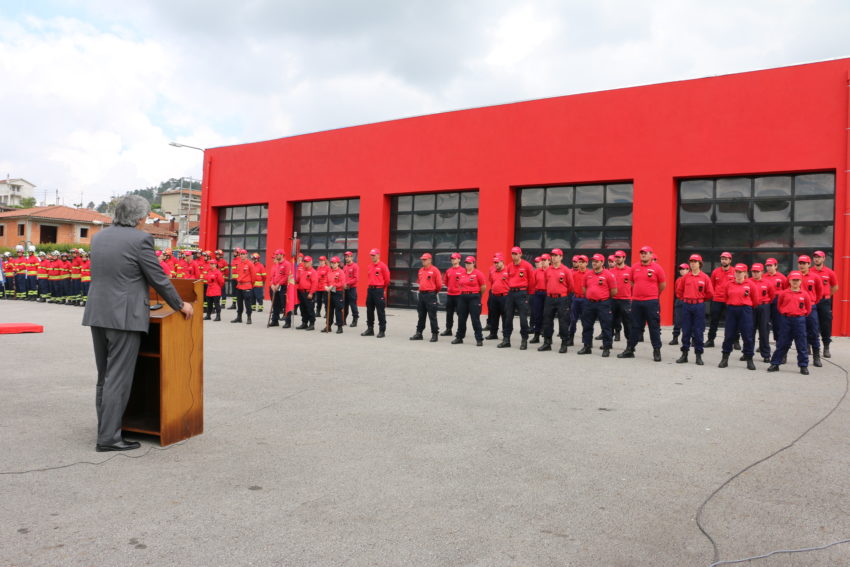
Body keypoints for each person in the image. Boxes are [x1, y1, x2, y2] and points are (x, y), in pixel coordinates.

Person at [82, 195, 192, 452]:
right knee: (118, 378)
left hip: (98, 313)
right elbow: (158, 277)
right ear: (140, 218)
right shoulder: (140, 239)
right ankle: (109, 438)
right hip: (124, 317)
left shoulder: (99, 236)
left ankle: (106, 429)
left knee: (105, 376)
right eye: (146, 218)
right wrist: (179, 304)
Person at [618, 246, 665, 361]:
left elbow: (662, 285)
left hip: (651, 302)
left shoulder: (657, 268)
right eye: (641, 253)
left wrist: (652, 294)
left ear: (651, 254)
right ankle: (630, 349)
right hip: (637, 301)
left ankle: (656, 351)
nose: (643, 255)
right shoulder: (634, 267)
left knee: (654, 327)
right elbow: (632, 282)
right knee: (635, 326)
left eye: (645, 253)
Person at [767, 271, 813, 375]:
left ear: (801, 281)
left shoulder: (805, 294)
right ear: (789, 281)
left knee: (801, 344)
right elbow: (779, 306)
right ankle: (775, 363)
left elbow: (808, 309)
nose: (795, 282)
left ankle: (803, 366)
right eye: (793, 280)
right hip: (786, 320)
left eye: (797, 280)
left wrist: (800, 315)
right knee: (782, 342)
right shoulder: (783, 293)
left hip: (799, 320)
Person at [674, 254, 713, 365]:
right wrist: (685, 299)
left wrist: (700, 299)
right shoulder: (685, 277)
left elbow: (710, 293)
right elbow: (679, 291)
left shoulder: (705, 277)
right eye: (691, 261)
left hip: (699, 306)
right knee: (685, 330)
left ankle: (698, 355)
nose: (692, 263)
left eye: (695, 261)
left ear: (700, 263)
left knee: (698, 331)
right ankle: (684, 354)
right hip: (686, 305)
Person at [718, 264, 756, 370]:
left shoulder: (750, 284)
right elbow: (726, 297)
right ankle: (724, 359)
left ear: (745, 273)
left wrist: (745, 305)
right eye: (736, 272)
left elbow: (755, 300)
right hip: (732, 310)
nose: (738, 274)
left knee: (747, 336)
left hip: (745, 310)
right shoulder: (729, 284)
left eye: (740, 272)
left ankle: (749, 359)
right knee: (729, 335)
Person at [579, 253, 617, 357]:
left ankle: (606, 348)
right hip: (589, 303)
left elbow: (614, 291)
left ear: (602, 262)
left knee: (606, 326)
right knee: (587, 326)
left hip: (603, 304)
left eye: (596, 261)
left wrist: (602, 297)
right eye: (593, 261)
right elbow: (584, 288)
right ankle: (587, 346)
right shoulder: (588, 274)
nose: (594, 263)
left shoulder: (608, 275)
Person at [538, 249, 572, 353]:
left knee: (563, 321)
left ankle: (564, 343)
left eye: (556, 255)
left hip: (562, 298)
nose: (553, 257)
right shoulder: (548, 270)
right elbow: (546, 282)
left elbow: (571, 286)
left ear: (561, 257)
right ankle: (547, 342)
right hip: (549, 298)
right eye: (552, 255)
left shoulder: (566, 270)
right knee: (547, 321)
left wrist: (563, 294)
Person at [501, 246, 534, 350]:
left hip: (522, 293)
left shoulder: (527, 266)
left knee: (523, 319)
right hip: (511, 293)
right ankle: (506, 340)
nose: (514, 255)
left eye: (516, 254)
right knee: (508, 317)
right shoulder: (509, 266)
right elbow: (507, 279)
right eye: (512, 253)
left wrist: (528, 294)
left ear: (520, 254)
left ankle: (524, 340)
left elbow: (532, 281)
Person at [452, 256, 486, 346]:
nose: (467, 265)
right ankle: (459, 337)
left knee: (475, 319)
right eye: (466, 263)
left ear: (474, 263)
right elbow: (459, 285)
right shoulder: (462, 273)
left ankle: (479, 339)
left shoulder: (478, 273)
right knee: (461, 318)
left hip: (474, 297)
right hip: (463, 297)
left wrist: (478, 295)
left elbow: (483, 286)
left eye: (469, 263)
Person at [797, 255, 824, 367]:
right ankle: (786, 356)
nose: (802, 265)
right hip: (797, 308)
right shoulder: (793, 275)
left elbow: (820, 293)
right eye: (800, 263)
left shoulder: (815, 277)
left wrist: (811, 302)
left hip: (811, 308)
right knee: (798, 333)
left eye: (804, 263)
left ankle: (816, 357)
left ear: (809, 264)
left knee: (813, 332)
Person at [410, 252, 442, 342]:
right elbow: (420, 282)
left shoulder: (435, 270)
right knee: (421, 315)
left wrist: (433, 292)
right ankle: (419, 333)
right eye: (422, 259)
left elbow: (439, 284)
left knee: (432, 315)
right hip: (422, 295)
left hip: (430, 295)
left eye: (425, 259)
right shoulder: (420, 270)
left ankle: (434, 334)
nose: (423, 261)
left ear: (430, 260)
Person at [812, 250, 838, 357]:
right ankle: (809, 345)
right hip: (812, 301)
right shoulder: (810, 271)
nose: (816, 259)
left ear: (823, 259)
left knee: (825, 324)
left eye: (819, 257)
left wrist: (826, 295)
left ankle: (826, 347)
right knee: (811, 323)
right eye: (815, 257)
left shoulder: (829, 272)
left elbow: (835, 287)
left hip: (824, 301)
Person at [707, 252, 736, 348]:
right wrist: (714, 295)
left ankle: (735, 341)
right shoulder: (716, 271)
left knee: (732, 321)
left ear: (730, 260)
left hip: (730, 301)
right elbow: (712, 285)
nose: (723, 260)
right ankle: (710, 340)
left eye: (726, 259)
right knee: (714, 321)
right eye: (722, 258)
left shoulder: (735, 271)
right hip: (717, 300)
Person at [748, 263, 775, 363]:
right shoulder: (748, 282)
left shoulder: (767, 283)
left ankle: (766, 354)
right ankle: (747, 353)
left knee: (764, 331)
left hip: (764, 307)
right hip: (751, 307)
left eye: (757, 272)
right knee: (750, 331)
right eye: (753, 271)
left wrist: (764, 304)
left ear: (762, 272)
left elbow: (772, 296)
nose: (755, 273)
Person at [361, 248, 390, 338]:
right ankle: (370, 329)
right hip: (370, 290)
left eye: (374, 255)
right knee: (369, 310)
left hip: (378, 290)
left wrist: (382, 288)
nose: (372, 257)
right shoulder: (369, 266)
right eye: (371, 255)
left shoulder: (383, 266)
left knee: (380, 311)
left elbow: (387, 279)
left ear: (378, 255)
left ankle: (382, 330)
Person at [762, 258, 787, 342]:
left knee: (777, 323)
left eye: (770, 266)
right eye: (767, 266)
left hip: (777, 301)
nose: (768, 268)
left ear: (776, 266)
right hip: (766, 301)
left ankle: (778, 341)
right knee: (765, 323)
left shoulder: (782, 277)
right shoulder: (763, 277)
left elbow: (786, 290)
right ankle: (764, 342)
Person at [609, 251, 632, 343]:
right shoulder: (610, 272)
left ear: (624, 258)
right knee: (610, 322)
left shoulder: (630, 271)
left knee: (627, 323)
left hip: (625, 300)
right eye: (616, 257)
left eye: (619, 257)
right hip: (613, 300)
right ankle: (608, 344)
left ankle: (629, 346)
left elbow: (635, 285)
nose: (617, 258)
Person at [268, 249, 294, 328]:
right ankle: (274, 320)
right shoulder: (276, 264)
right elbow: (272, 276)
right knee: (275, 304)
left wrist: (279, 284)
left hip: (283, 287)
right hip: (274, 287)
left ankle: (287, 322)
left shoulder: (287, 264)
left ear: (282, 255)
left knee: (285, 305)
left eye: (277, 254)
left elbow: (287, 276)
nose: (276, 256)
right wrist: (272, 284)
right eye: (275, 254)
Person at [486, 254, 509, 341]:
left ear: (502, 262)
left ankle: (506, 335)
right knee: (494, 316)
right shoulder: (493, 272)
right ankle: (493, 333)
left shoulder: (508, 270)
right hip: (494, 296)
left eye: (497, 262)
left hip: (505, 296)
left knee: (505, 316)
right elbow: (492, 282)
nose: (495, 264)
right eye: (494, 262)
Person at [230, 249, 256, 324]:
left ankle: (249, 317)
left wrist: (251, 285)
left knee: (247, 303)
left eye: (243, 254)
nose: (242, 255)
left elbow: (254, 276)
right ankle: (239, 317)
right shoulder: (239, 263)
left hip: (247, 286)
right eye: (241, 254)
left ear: (246, 255)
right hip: (239, 286)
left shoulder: (250, 264)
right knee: (239, 303)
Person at [441, 252, 464, 337]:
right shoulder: (448, 270)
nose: (453, 260)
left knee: (460, 313)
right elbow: (446, 282)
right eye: (452, 258)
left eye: (455, 258)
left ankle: (460, 330)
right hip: (450, 295)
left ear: (459, 259)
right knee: (449, 313)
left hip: (459, 295)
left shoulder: (463, 271)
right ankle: (448, 330)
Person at [568, 255, 589, 346]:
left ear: (586, 263)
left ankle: (586, 340)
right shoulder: (574, 274)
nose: (580, 264)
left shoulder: (590, 274)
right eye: (579, 262)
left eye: (582, 262)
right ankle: (571, 338)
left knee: (586, 320)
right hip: (576, 298)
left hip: (585, 299)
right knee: (573, 320)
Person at [529, 254, 550, 343]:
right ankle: (536, 336)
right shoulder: (537, 271)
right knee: (537, 315)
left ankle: (547, 336)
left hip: (548, 294)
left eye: (545, 260)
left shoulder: (551, 271)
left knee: (547, 315)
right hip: (538, 294)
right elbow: (532, 283)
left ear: (549, 261)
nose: (543, 261)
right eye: (542, 260)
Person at [322, 256, 346, 333]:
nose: (333, 264)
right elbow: (325, 280)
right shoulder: (329, 272)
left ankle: (339, 327)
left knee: (338, 310)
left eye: (334, 263)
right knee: (329, 310)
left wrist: (333, 285)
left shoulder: (341, 272)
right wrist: (325, 286)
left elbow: (342, 283)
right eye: (332, 262)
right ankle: (328, 326)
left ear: (338, 263)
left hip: (337, 292)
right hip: (329, 292)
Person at [295, 255, 318, 330]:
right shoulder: (302, 270)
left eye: (307, 262)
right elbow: (298, 280)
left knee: (310, 308)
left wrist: (311, 293)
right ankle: (304, 323)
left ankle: (312, 324)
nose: (305, 263)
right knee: (302, 308)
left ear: (311, 262)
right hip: (301, 292)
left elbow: (315, 284)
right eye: (304, 262)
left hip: (308, 293)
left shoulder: (313, 272)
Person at [669, 264, 688, 345]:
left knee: (689, 322)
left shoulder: (690, 279)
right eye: (680, 269)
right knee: (677, 321)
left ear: (688, 270)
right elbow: (676, 291)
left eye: (683, 269)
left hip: (688, 301)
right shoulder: (678, 280)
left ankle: (691, 339)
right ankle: (675, 338)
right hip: (679, 301)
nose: (681, 270)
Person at [342, 251, 360, 327]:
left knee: (353, 305)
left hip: (352, 289)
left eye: (348, 256)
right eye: (346, 257)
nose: (347, 258)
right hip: (345, 289)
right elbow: (343, 277)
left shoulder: (355, 266)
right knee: (344, 305)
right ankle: (344, 320)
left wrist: (347, 283)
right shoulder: (345, 267)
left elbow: (356, 278)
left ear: (351, 257)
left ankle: (355, 320)